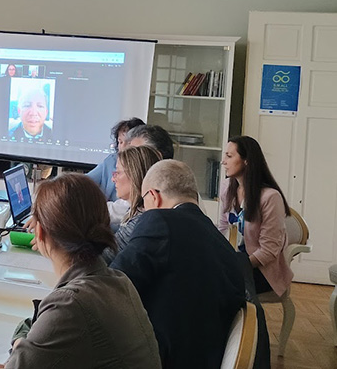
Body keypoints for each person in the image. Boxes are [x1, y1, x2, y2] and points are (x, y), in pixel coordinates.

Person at [0, 173, 161, 369]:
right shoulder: (118, 281)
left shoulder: (71, 303)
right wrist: (22, 344)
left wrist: (19, 345)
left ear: (39, 232)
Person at [111, 160, 245, 369]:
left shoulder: (159, 220)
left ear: (153, 196)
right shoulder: (220, 241)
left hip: (163, 357)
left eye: (144, 200)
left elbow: (114, 283)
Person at [218, 135, 293, 297]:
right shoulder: (227, 188)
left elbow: (269, 250)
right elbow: (222, 228)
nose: (223, 161)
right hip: (235, 262)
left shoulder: (270, 197)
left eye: (229, 156)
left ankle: (248, 314)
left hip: (261, 270)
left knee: (215, 283)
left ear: (247, 161)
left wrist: (236, 266)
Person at [101, 145, 161, 264]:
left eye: (118, 172)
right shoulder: (139, 213)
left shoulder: (139, 222)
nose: (113, 179)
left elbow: (104, 261)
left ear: (134, 176)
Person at [87, 117, 145, 201]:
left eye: (129, 143)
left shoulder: (142, 167)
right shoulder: (111, 160)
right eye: (120, 142)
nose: (123, 147)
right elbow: (85, 181)